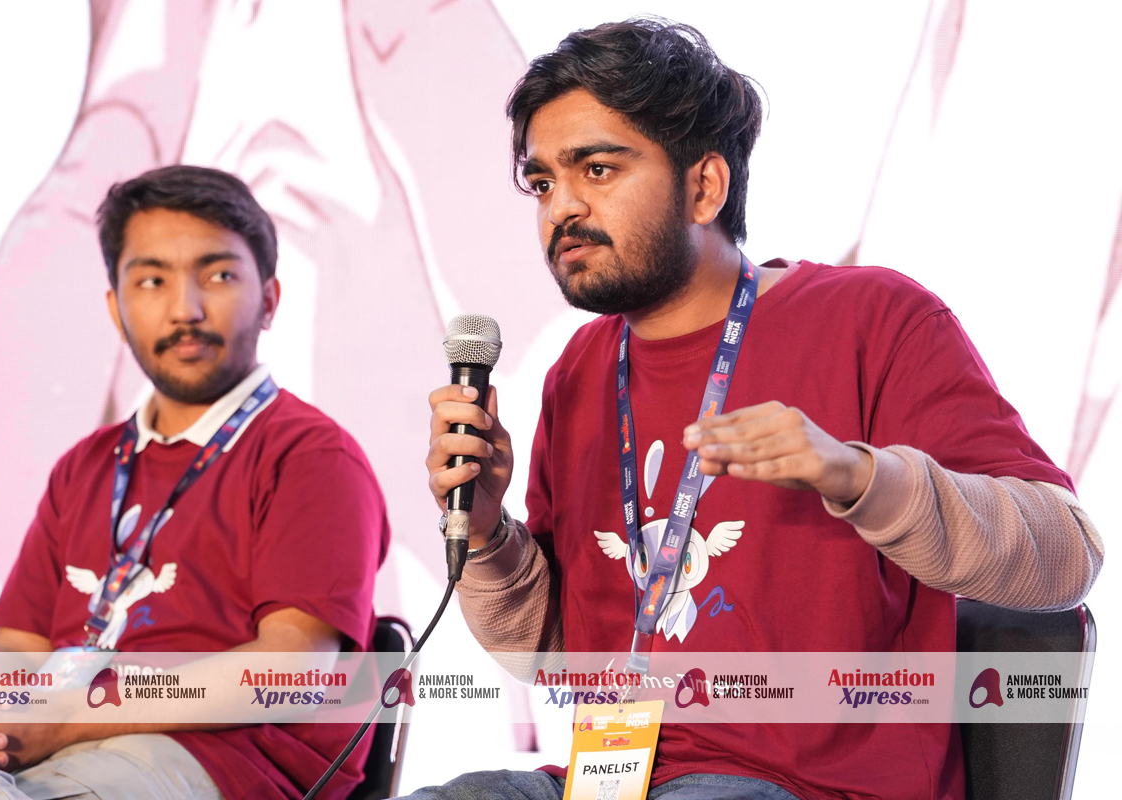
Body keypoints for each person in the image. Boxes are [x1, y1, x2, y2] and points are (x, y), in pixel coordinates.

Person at [420, 18, 1104, 800]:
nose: (560, 209)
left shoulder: (875, 319)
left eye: (598, 170)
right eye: (543, 183)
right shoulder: (578, 371)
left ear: (704, 186)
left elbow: (1067, 558)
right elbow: (552, 655)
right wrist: (485, 534)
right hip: (612, 780)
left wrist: (861, 479)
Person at [0, 166, 390, 800]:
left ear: (269, 300)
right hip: (55, 743)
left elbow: (291, 669)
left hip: (217, 759)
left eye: (218, 275)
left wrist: (65, 719)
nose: (185, 309)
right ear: (116, 310)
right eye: (151, 280)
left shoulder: (313, 456)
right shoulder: (85, 466)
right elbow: (19, 650)